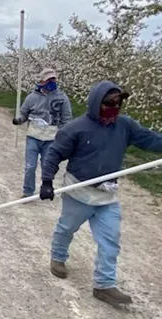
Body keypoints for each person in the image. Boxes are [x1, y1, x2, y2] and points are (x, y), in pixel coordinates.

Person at [39, 80, 162, 305]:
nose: (114, 107)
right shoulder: (76, 128)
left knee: (110, 239)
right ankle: (57, 258)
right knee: (67, 228)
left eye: (118, 102)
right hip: (79, 191)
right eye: (109, 103)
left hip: (107, 194)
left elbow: (150, 139)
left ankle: (104, 285)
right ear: (97, 103)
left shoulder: (125, 126)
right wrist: (47, 181)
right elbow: (54, 153)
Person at [12, 68, 73, 198]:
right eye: (48, 80)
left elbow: (67, 119)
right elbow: (24, 113)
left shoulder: (62, 99)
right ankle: (28, 191)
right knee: (30, 166)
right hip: (33, 136)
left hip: (51, 138)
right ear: (41, 81)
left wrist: (64, 135)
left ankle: (46, 189)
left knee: (48, 167)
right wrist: (19, 120)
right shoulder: (32, 98)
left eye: (54, 79)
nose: (52, 82)